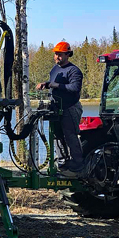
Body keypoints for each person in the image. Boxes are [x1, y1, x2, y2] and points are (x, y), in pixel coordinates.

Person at [35, 41, 86, 178]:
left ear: (67, 54)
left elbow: (74, 88)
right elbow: (53, 85)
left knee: (70, 136)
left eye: (59, 54)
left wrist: (55, 85)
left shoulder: (74, 71)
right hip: (56, 108)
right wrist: (46, 84)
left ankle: (77, 167)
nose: (57, 57)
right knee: (57, 136)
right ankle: (63, 164)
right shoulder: (54, 70)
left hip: (70, 108)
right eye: (55, 54)